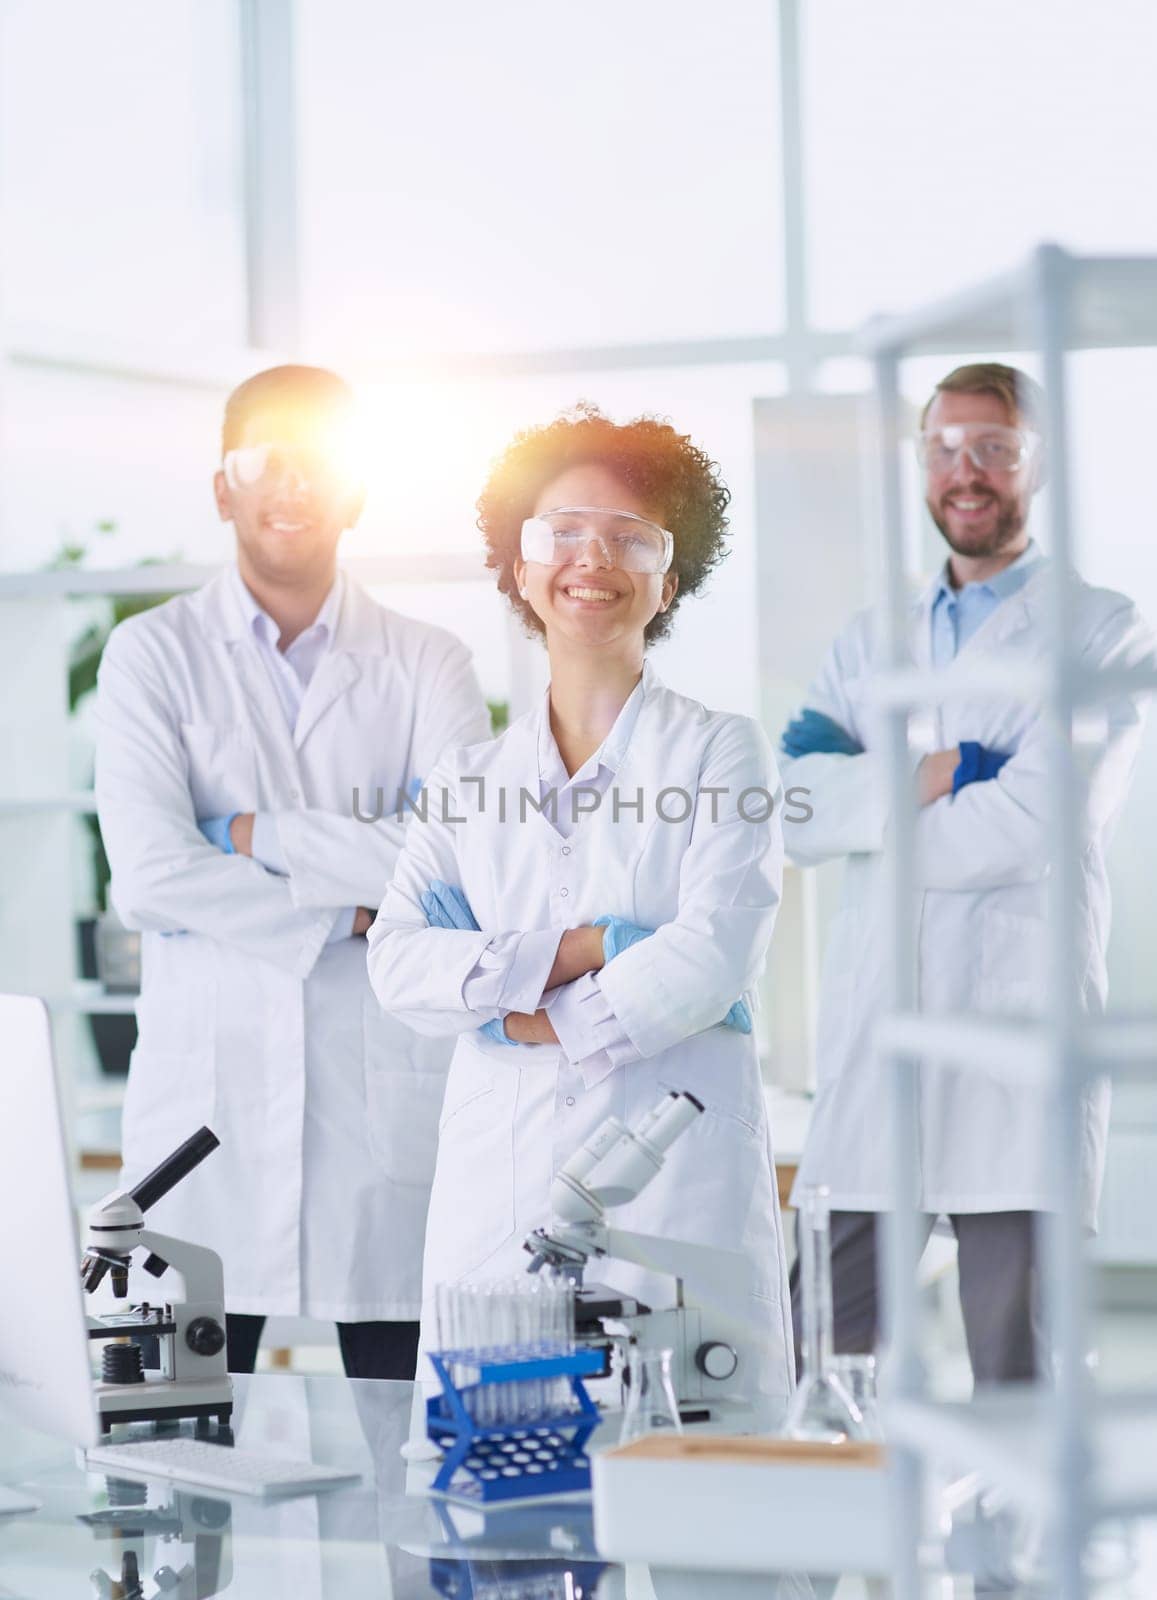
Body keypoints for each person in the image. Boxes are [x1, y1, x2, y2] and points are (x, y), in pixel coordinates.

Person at [366, 405, 796, 1422]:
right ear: (518, 569)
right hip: (500, 1189)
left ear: (668, 579)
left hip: (673, 1188)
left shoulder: (719, 754)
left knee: (704, 1510)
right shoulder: (467, 781)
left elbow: (711, 953)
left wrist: (516, 1012)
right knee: (501, 1511)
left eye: (630, 536)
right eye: (561, 530)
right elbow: (397, 964)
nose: (590, 556)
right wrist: (597, 946)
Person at [94, 365, 491, 1379]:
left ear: (357, 489)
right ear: (223, 488)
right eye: (264, 459)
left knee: (410, 1447)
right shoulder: (152, 655)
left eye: (318, 461)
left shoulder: (428, 660)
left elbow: (450, 863)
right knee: (180, 1466)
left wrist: (252, 830)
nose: (292, 483)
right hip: (206, 1113)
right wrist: (346, 915)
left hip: (380, 1106)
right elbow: (147, 874)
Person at [781, 362, 1154, 1384]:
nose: (965, 471)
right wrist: (927, 776)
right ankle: (828, 1548)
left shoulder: (1097, 629)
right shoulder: (870, 642)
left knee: (1014, 1381)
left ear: (1038, 464)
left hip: (1009, 1056)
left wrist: (875, 813)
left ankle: (1009, 1555)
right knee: (821, 1362)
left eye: (992, 447)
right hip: (877, 1050)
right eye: (942, 447)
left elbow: (1030, 824)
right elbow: (791, 804)